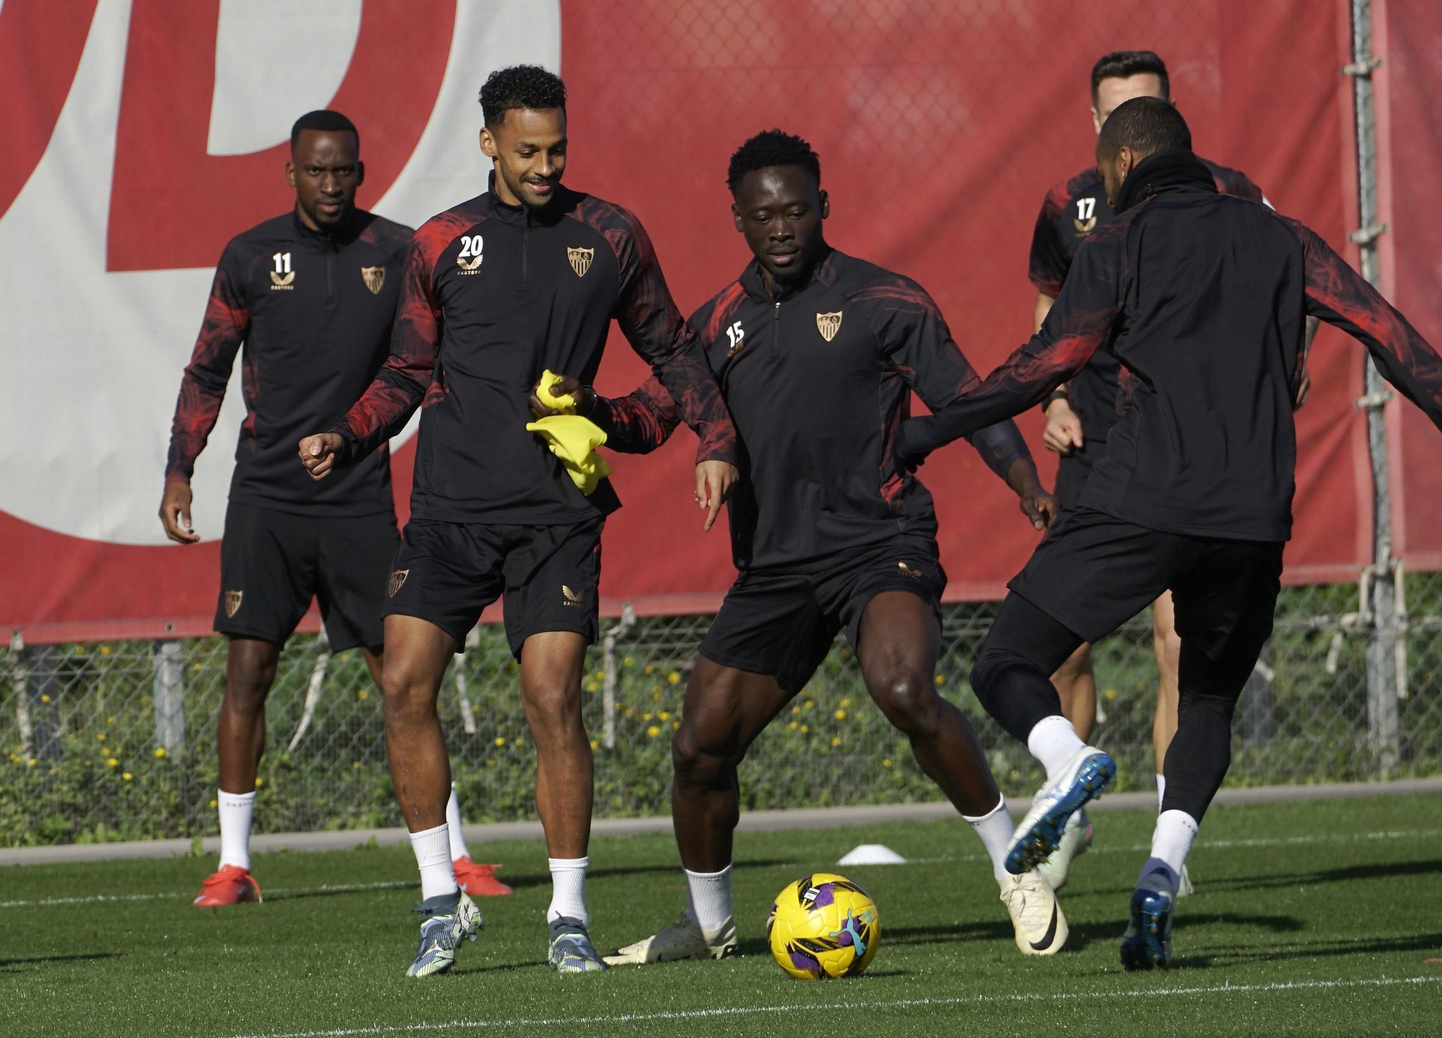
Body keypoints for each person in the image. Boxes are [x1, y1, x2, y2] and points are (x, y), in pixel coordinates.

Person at [897, 97, 1442, 971]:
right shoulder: (1283, 238)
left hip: (1141, 501)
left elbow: (1048, 361)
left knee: (1005, 663)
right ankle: (1161, 869)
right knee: (1210, 699)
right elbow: (1387, 331)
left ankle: (1068, 758)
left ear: (1118, 169)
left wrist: (928, 431)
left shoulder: (1116, 241)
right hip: (1253, 518)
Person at [544, 130, 1066, 964]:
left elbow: (972, 402)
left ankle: (1017, 870)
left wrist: (1025, 483)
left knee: (902, 686)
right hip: (778, 568)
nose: (780, 227)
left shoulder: (887, 301)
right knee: (698, 745)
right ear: (739, 221)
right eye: (763, 215)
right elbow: (654, 414)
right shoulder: (715, 324)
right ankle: (709, 925)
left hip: (881, 542)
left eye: (795, 210)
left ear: (822, 207)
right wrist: (593, 408)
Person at [297, 66, 738, 977]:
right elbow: (405, 375)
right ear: (491, 141)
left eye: (559, 149)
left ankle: (567, 917)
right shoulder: (440, 242)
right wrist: (347, 432)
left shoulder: (610, 234)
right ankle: (437, 902)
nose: (546, 166)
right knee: (402, 683)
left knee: (551, 698)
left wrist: (712, 437)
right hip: (450, 512)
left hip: (556, 517)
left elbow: (673, 349)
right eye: (528, 150)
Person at [160, 110, 506, 910]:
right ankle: (234, 865)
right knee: (249, 671)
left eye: (342, 171)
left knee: (404, 675)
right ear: (290, 173)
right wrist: (181, 472)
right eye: (314, 171)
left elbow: (426, 362)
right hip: (266, 499)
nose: (328, 185)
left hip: (358, 501)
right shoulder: (249, 255)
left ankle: (456, 855)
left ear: (360, 171)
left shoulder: (396, 250)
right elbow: (207, 369)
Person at [1024, 50, 1315, 890]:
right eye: (1118, 110)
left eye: (1147, 105)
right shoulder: (1071, 205)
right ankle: (1068, 809)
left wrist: (1288, 364)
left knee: (1177, 645)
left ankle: (1166, 848)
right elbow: (1048, 304)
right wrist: (1052, 400)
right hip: (1097, 443)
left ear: (1170, 112)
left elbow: (1293, 283)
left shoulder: (1231, 194)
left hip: (1185, 452)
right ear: (1099, 127)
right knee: (1063, 649)